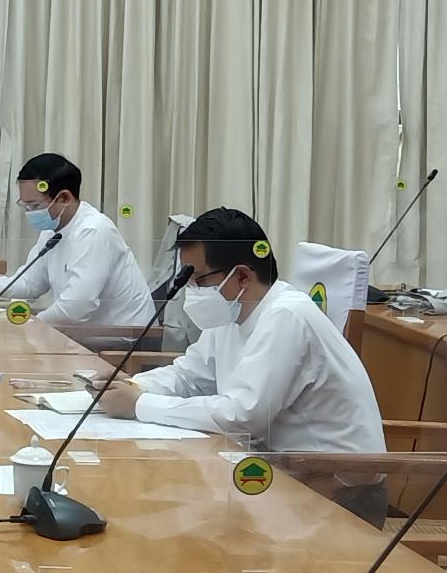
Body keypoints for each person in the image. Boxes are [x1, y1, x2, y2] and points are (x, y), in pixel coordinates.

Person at [95, 207, 387, 525]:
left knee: (178, 518)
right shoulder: (231, 311)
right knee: (160, 501)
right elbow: (189, 374)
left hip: (335, 487)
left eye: (198, 280)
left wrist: (140, 405)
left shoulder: (286, 316)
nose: (191, 290)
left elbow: (244, 415)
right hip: (277, 467)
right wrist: (132, 386)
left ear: (243, 276)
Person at [0, 153, 153, 329]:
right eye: (25, 205)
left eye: (34, 205)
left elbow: (77, 305)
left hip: (123, 339)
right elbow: (30, 283)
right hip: (84, 335)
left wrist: (32, 326)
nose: (29, 212)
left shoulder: (94, 230)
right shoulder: (52, 229)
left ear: (64, 198)